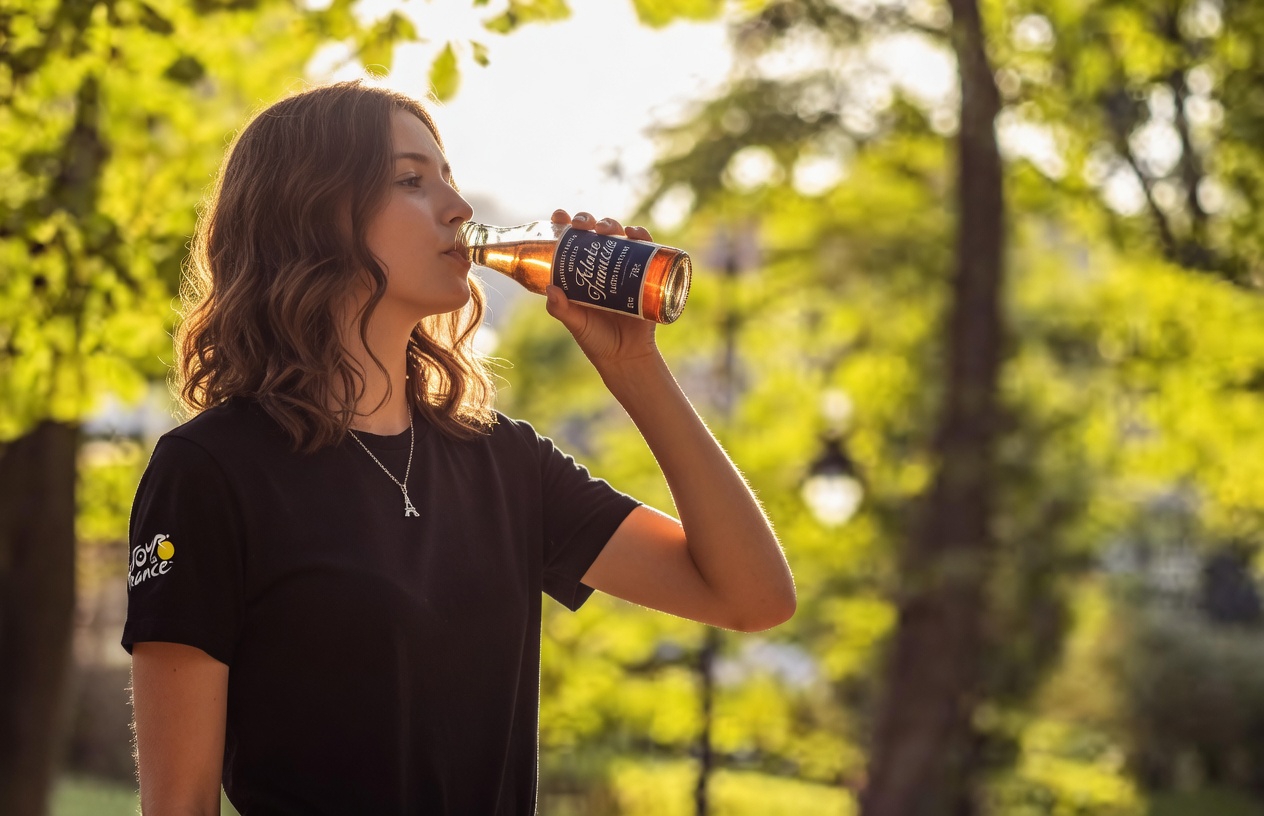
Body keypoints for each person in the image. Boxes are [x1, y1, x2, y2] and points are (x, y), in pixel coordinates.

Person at [122, 80, 794, 816]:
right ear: (313, 215)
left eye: (448, 176)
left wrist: (635, 369)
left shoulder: (504, 464)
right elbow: (179, 803)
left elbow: (751, 596)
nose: (459, 208)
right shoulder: (212, 471)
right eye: (411, 180)